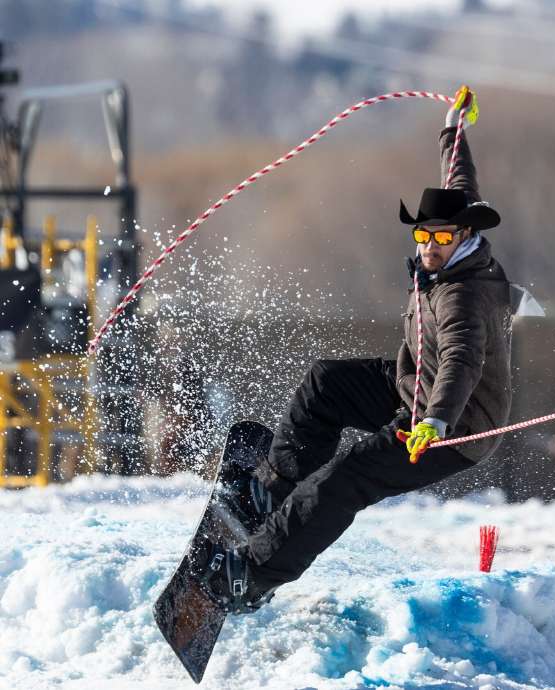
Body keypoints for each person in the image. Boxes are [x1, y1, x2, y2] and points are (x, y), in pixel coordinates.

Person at [202, 86, 516, 610]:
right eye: (424, 236)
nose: (431, 248)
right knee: (327, 383)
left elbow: (462, 359)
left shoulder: (465, 294)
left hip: (449, 425)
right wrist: (453, 127)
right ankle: (271, 493)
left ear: (464, 236)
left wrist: (434, 423)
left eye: (442, 240)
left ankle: (252, 576)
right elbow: (458, 179)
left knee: (342, 481)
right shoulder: (451, 247)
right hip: (413, 385)